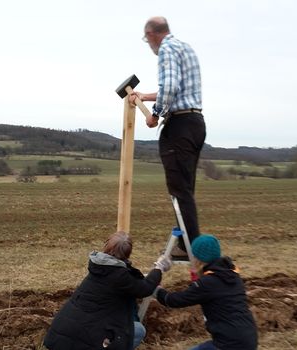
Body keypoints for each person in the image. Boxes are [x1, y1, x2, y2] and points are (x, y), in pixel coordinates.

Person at [130, 16, 206, 260]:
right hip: (194, 124)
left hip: (179, 127)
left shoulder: (166, 50)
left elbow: (171, 88)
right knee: (185, 189)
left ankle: (192, 249)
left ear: (152, 34)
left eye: (146, 38)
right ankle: (187, 245)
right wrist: (146, 96)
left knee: (179, 191)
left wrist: (155, 114)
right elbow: (175, 89)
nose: (148, 44)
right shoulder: (184, 47)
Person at [43, 231, 172, 350]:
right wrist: (159, 268)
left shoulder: (99, 267)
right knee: (138, 331)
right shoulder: (119, 276)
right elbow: (144, 288)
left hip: (61, 334)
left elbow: (130, 283)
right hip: (85, 339)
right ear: (128, 253)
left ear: (107, 247)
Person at [155, 234, 258, 350]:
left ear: (199, 259)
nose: (191, 259)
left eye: (193, 256)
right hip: (249, 338)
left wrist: (157, 290)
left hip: (230, 344)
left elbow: (174, 300)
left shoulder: (207, 283)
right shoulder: (232, 274)